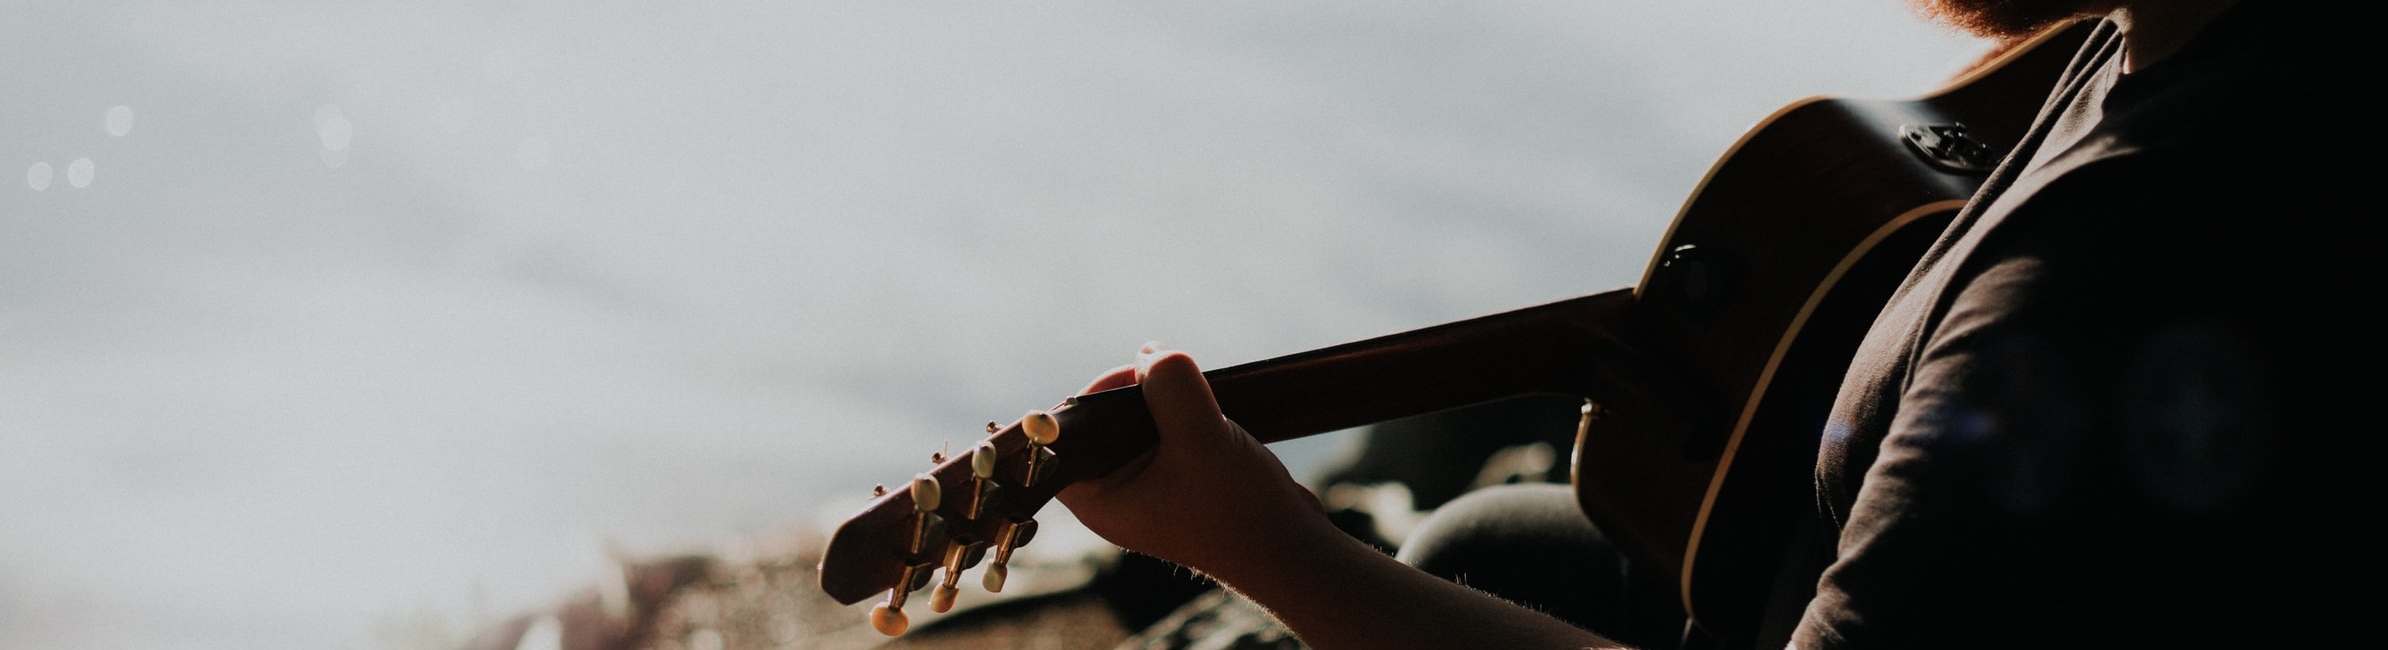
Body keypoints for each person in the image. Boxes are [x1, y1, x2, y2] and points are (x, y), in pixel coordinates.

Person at [1054, 0, 2383, 647]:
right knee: (1484, 538)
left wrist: (1273, 544)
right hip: (1786, 568)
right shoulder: (2191, 38)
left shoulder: (2121, 265)